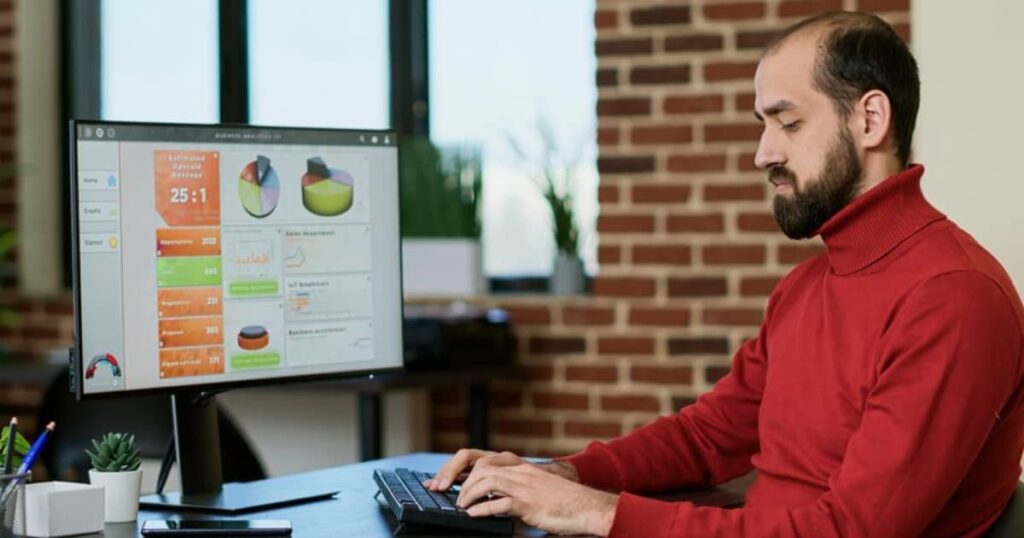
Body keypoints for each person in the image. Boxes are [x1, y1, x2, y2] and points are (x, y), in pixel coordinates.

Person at [424, 10, 1024, 537]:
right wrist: (559, 474)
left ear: (870, 120)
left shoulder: (954, 298)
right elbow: (706, 438)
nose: (764, 152)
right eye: (764, 125)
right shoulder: (806, 287)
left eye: (787, 123)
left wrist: (596, 513)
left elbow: (852, 530)